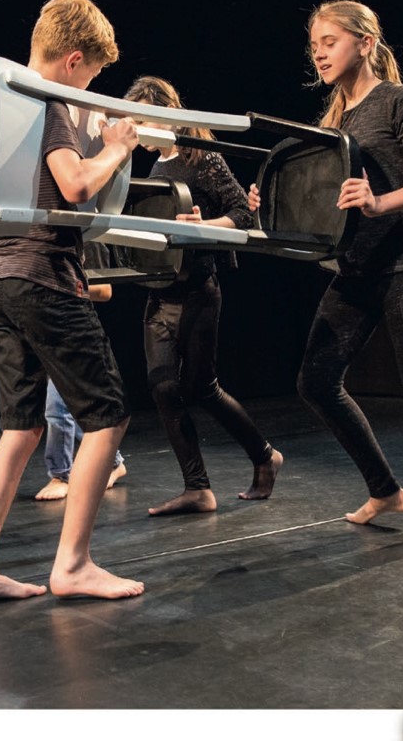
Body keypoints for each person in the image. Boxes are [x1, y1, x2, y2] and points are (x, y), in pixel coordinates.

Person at [249, 0, 403, 542]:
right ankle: (385, 489)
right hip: (356, 271)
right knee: (316, 382)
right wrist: (265, 202)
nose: (319, 54)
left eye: (330, 42)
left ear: (365, 42)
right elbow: (317, 200)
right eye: (314, 46)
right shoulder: (331, 122)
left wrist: (379, 202)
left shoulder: (397, 101)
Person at [0, 0, 144, 607]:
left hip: (0, 280)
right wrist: (117, 146)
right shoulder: (48, 103)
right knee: (108, 416)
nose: (89, 88)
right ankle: (73, 565)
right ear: (74, 59)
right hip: (46, 278)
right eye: (92, 75)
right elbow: (77, 184)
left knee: (20, 427)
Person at [122, 76, 283, 515]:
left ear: (163, 112)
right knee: (162, 386)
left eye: (140, 118)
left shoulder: (203, 158)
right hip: (161, 292)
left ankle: (265, 456)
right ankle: (197, 487)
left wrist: (201, 227)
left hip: (198, 289)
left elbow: (241, 214)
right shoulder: (156, 170)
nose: (135, 129)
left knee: (201, 387)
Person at [34, 242, 126, 501]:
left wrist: (55, 286)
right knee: (71, 407)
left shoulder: (89, 239)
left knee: (57, 406)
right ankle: (113, 461)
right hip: (47, 325)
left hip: (73, 326)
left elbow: (104, 291)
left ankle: (61, 474)